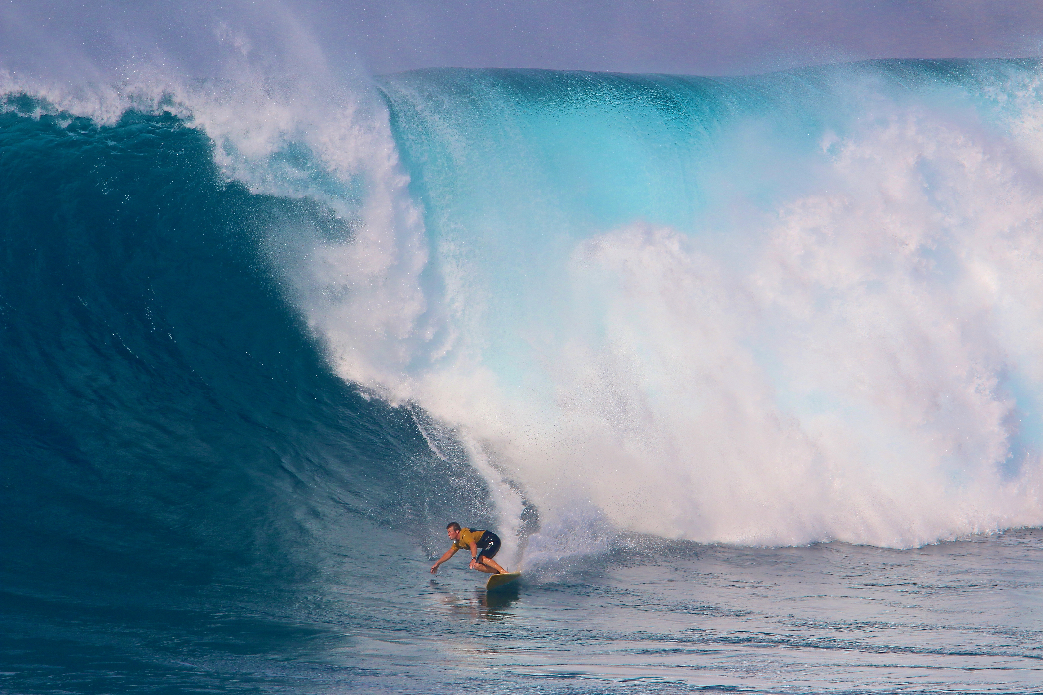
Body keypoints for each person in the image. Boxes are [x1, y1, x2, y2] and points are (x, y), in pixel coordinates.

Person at [430, 521, 507, 575]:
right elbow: (450, 552)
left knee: (482, 558)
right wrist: (437, 563)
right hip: (487, 543)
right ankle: (497, 572)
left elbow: (473, 545)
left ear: (457, 531)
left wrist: (473, 558)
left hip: (492, 539)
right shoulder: (457, 542)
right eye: (448, 532)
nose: (448, 534)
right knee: (477, 566)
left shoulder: (464, 534)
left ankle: (502, 571)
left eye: (450, 532)